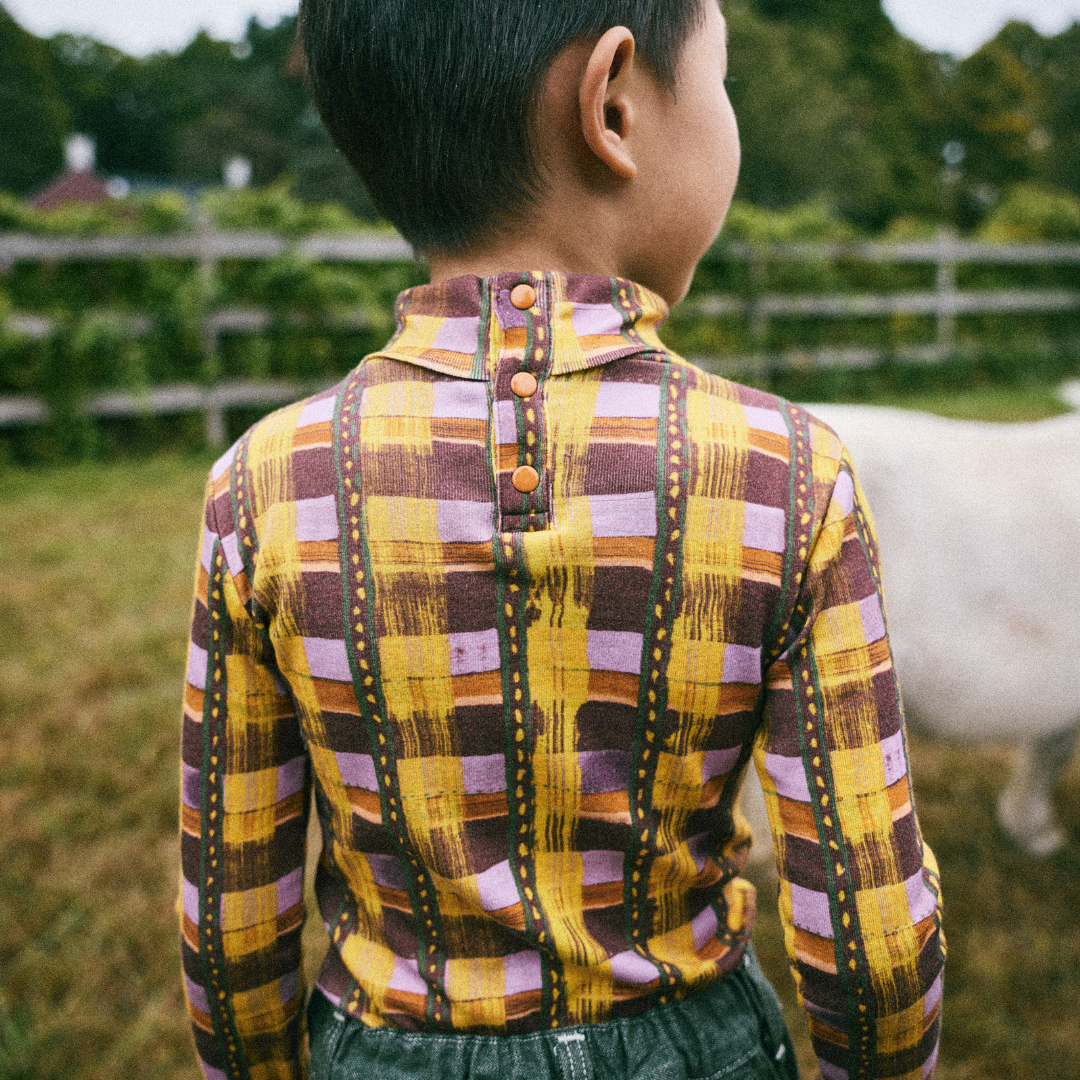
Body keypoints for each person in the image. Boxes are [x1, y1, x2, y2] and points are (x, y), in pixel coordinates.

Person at [178, 1, 944, 1077]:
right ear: (616, 103)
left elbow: (230, 923)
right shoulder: (787, 474)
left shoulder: (260, 487)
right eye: (721, 85)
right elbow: (873, 953)